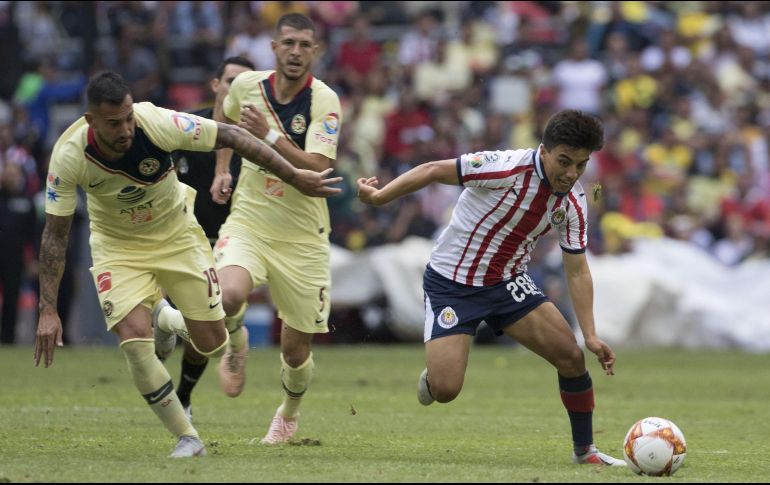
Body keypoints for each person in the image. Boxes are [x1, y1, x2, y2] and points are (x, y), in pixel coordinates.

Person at [33, 71, 341, 458]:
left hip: (177, 235)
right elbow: (55, 235)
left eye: (129, 117)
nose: (127, 128)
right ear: (91, 121)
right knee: (133, 340)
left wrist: (295, 175)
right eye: (115, 123)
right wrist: (48, 309)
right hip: (118, 246)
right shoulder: (67, 156)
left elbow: (231, 136)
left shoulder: (157, 122)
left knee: (213, 344)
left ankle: (166, 319)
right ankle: (187, 437)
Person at [356, 109, 625, 466]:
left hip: (508, 283)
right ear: (544, 150)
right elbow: (432, 170)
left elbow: (577, 270)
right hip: (452, 282)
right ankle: (436, 376)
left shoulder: (574, 202)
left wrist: (590, 334)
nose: (572, 173)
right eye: (564, 161)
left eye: (581, 164)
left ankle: (585, 452)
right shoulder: (504, 167)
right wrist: (379, 198)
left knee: (572, 357)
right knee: (447, 389)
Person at [213, 12, 341, 444]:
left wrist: (268, 136)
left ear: (315, 51)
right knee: (228, 294)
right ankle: (235, 342)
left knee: (295, 350)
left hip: (302, 236)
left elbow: (319, 168)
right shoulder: (247, 86)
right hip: (250, 219)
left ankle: (288, 412)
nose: (296, 52)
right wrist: (221, 168)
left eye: (305, 45)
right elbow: (223, 116)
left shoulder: (324, 101)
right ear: (273, 47)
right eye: (288, 43)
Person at [154, 56, 255, 422]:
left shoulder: (256, 142)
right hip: (176, 240)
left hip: (226, 247)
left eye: (246, 84)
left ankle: (183, 395)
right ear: (215, 84)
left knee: (200, 325)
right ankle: (234, 330)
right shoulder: (186, 128)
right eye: (230, 81)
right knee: (164, 325)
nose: (235, 90)